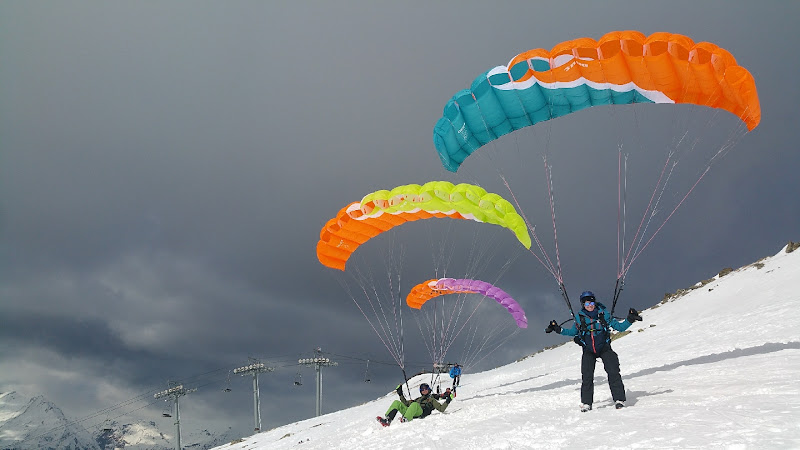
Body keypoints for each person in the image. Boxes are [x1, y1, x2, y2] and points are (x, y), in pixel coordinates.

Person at [546, 290, 642, 412]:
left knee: (613, 371)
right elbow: (572, 332)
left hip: (604, 348)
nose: (590, 306)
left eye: (591, 303)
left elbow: (620, 327)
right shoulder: (579, 318)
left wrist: (630, 319)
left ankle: (619, 400)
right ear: (583, 305)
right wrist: (558, 329)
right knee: (587, 376)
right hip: (588, 350)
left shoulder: (604, 314)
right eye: (587, 304)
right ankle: (586, 403)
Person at [376, 382, 454, 426]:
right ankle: (388, 420)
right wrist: (400, 394)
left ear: (429, 389)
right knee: (396, 403)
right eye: (422, 389)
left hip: (421, 412)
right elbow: (406, 403)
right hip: (412, 411)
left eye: (425, 389)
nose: (424, 390)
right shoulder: (418, 399)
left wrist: (448, 400)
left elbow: (441, 409)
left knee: (414, 404)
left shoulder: (431, 399)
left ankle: (405, 419)